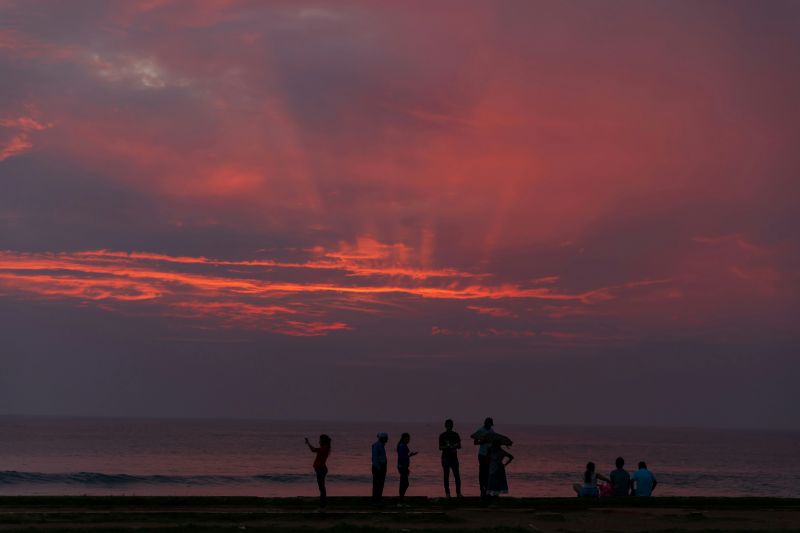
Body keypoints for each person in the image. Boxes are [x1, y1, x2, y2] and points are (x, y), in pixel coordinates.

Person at [470, 417, 495, 499]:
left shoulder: (491, 431)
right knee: (482, 473)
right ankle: (482, 491)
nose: (490, 425)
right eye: (489, 424)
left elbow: (493, 441)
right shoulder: (480, 430)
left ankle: (487, 491)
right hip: (482, 454)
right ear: (485, 423)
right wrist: (483, 441)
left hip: (489, 454)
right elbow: (475, 442)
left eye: (491, 424)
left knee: (488, 473)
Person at [304, 434, 331, 509]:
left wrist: (308, 443)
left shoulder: (325, 448)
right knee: (321, 488)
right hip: (320, 469)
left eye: (320, 440)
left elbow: (313, 450)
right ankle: (323, 505)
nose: (319, 441)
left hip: (321, 470)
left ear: (323, 441)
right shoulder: (324, 447)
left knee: (322, 488)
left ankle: (323, 506)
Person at [439, 419, 462, 498]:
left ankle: (458, 493)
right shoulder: (442, 435)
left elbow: (459, 446)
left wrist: (454, 446)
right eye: (448, 425)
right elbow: (440, 447)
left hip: (454, 458)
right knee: (446, 476)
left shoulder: (456, 434)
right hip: (445, 458)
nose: (449, 426)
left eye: (450, 425)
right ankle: (447, 494)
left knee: (457, 476)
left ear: (452, 426)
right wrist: (447, 446)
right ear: (445, 426)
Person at [396, 432, 418, 506]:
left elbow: (404, 456)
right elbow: (402, 458)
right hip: (402, 467)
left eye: (409, 439)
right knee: (404, 483)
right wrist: (405, 467)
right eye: (407, 438)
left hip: (403, 467)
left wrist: (410, 455)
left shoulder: (403, 446)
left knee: (404, 483)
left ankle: (401, 499)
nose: (408, 440)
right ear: (404, 438)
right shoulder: (402, 446)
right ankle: (401, 500)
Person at [371, 432, 389, 505]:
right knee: (377, 484)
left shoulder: (381, 445)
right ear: (382, 438)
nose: (387, 439)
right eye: (386, 438)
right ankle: (376, 500)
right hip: (379, 467)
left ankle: (378, 499)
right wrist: (378, 468)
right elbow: (375, 458)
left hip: (381, 466)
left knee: (380, 484)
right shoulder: (377, 445)